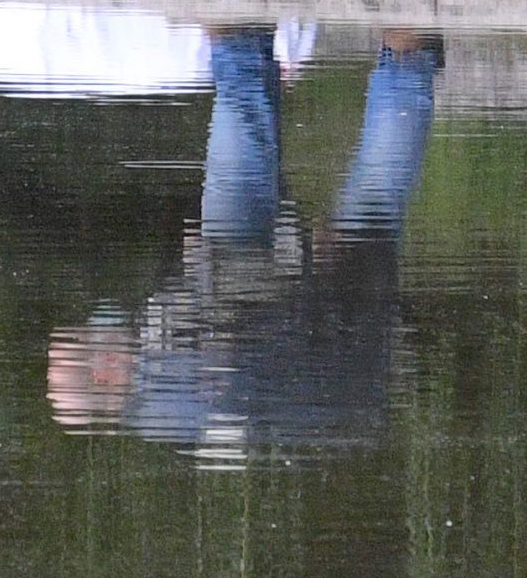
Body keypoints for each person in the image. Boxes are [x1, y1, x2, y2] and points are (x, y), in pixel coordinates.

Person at [43, 27, 443, 456]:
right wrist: (321, 274)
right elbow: (249, 346)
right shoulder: (171, 383)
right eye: (88, 331)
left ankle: (400, 53)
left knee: (361, 214)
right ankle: (246, 42)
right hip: (330, 333)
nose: (100, 318)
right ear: (105, 370)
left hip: (342, 367)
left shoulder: (164, 412)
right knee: (359, 213)